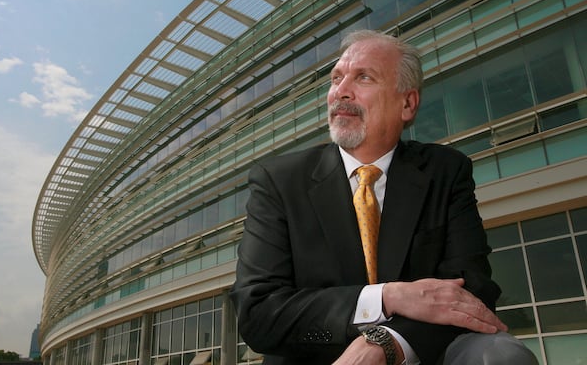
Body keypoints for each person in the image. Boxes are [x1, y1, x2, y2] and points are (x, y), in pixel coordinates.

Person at [229, 30, 537, 365]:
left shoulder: (445, 172)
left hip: (417, 353)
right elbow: (258, 312)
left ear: (407, 103)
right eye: (336, 78)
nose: (340, 92)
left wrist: (385, 342)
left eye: (363, 77)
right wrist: (387, 297)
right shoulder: (278, 180)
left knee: (501, 354)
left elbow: (470, 291)